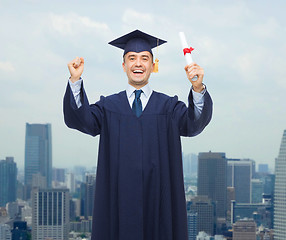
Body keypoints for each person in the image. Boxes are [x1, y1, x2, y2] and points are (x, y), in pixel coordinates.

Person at [63, 29, 213, 240]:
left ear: (153, 65)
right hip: (119, 202)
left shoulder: (169, 107)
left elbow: (193, 123)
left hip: (159, 203)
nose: (138, 63)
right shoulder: (108, 107)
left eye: (144, 58)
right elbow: (82, 119)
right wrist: (75, 81)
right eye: (131, 58)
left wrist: (197, 88)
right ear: (124, 66)